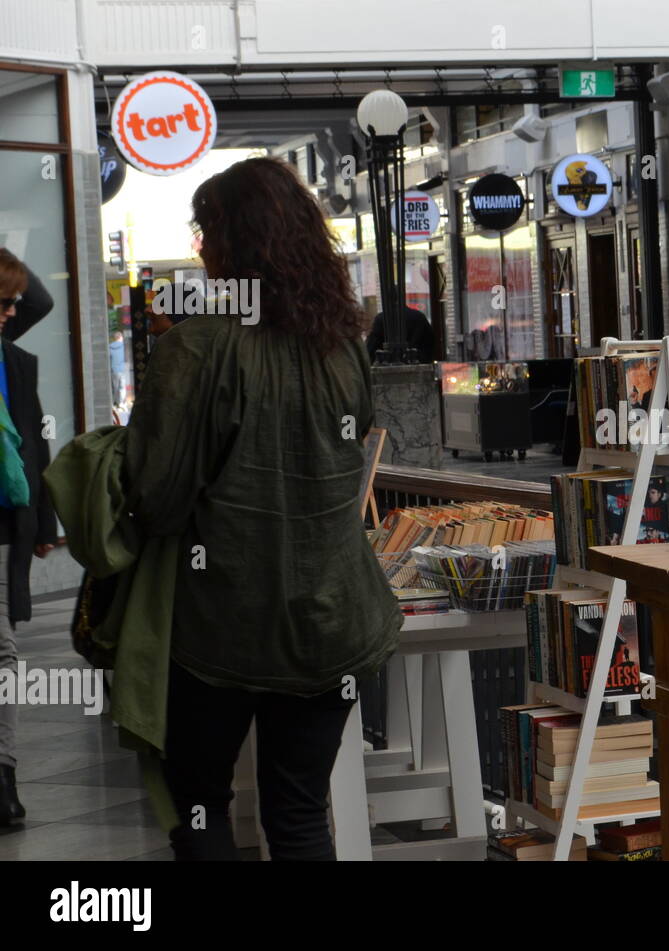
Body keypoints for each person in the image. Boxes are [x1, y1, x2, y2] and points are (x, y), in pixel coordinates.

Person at [122, 157, 401, 860]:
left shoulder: (196, 343)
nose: (200, 247)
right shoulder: (342, 341)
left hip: (221, 624)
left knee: (201, 804)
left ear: (230, 243)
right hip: (334, 620)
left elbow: (155, 494)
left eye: (205, 231)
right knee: (300, 814)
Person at [0, 249, 59, 825]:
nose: (11, 311)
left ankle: (4, 776)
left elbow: (32, 444)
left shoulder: (12, 359)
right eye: (1, 302)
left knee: (2, 650)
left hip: (3, 522)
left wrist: (44, 521)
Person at [365, 306, 436, 363]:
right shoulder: (419, 317)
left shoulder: (380, 319)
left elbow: (370, 350)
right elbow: (431, 345)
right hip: (418, 368)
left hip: (389, 373)